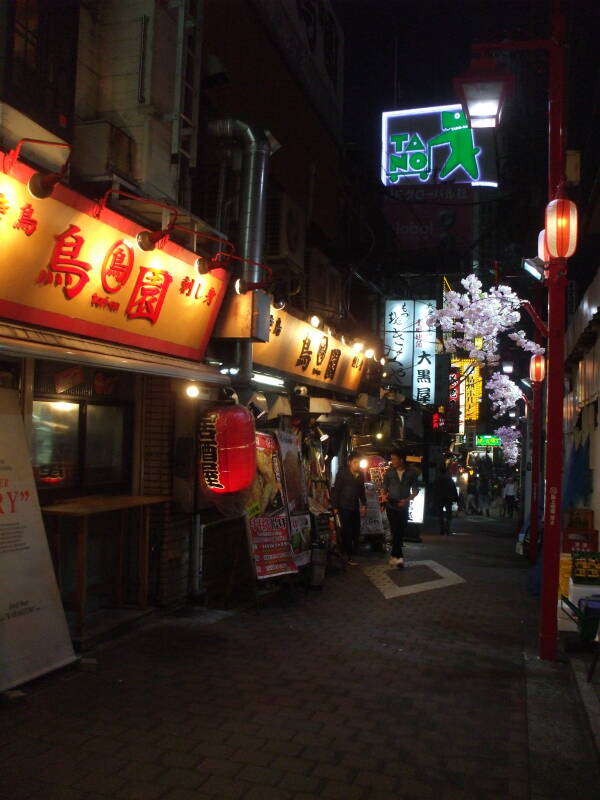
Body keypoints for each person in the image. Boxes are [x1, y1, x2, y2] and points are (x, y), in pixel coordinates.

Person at [382, 449, 419, 567]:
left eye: (394, 459)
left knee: (400, 531)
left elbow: (416, 490)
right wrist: (383, 495)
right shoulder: (389, 472)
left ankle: (395, 556)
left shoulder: (411, 473)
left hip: (403, 505)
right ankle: (399, 558)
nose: (392, 461)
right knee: (395, 530)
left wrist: (407, 500)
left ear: (401, 460)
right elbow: (384, 486)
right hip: (391, 505)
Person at [331, 451, 367, 565]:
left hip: (355, 506)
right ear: (349, 463)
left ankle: (351, 552)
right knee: (347, 531)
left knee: (356, 530)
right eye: (355, 462)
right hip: (344, 506)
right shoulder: (342, 474)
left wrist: (364, 505)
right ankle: (347, 556)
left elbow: (362, 491)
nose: (357, 465)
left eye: (358, 462)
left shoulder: (360, 475)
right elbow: (336, 491)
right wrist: (335, 507)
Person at [433, 465, 459, 536]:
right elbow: (453, 489)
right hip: (448, 499)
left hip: (440, 498)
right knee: (448, 514)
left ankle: (442, 529)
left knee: (440, 514)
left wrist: (434, 498)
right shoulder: (449, 479)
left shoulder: (437, 480)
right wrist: (456, 498)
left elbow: (434, 490)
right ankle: (447, 529)